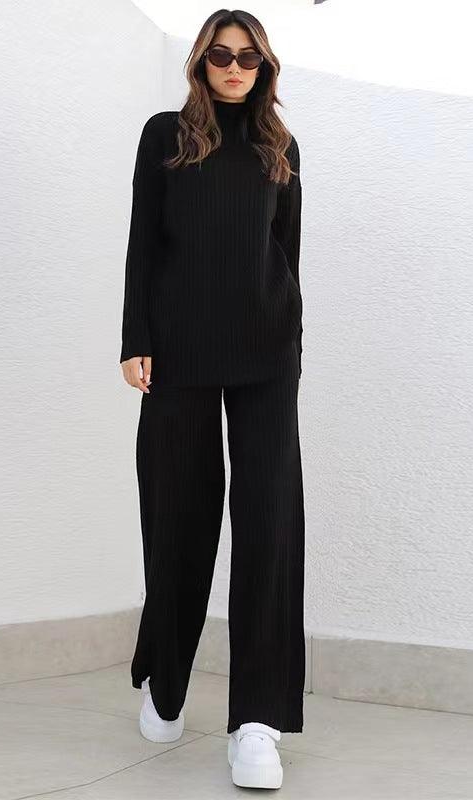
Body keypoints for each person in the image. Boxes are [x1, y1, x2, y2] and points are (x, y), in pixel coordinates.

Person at [118, 9, 305, 790]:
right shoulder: (165, 136)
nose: (234, 67)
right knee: (178, 517)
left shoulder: (278, 146)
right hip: (178, 352)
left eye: (249, 58)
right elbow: (144, 241)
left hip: (267, 355)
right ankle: (166, 680)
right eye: (221, 55)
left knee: (268, 528)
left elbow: (286, 251)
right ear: (200, 63)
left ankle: (257, 723)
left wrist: (293, 343)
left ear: (265, 68)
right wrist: (135, 338)